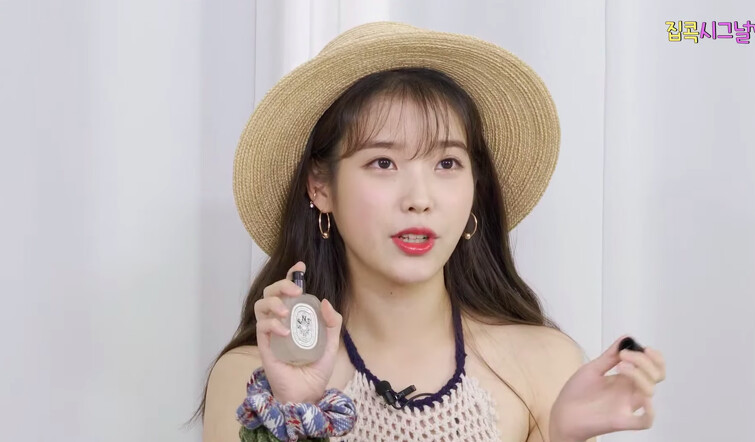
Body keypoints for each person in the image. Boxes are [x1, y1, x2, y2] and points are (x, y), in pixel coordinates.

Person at [195, 21, 666, 442]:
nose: (419, 198)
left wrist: (562, 438)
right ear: (320, 187)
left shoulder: (544, 365)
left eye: (447, 163)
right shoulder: (255, 381)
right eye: (383, 162)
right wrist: (295, 412)